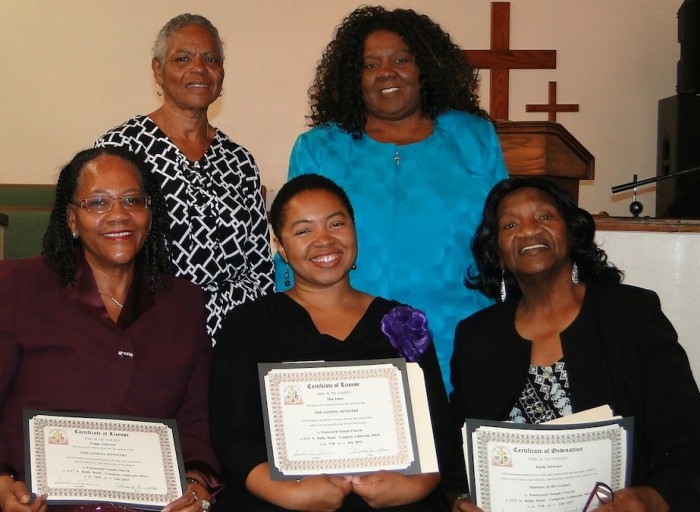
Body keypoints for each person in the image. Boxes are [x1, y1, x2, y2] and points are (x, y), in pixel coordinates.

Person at [281, 6, 508, 389]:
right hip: (346, 345)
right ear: (354, 79)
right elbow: (293, 253)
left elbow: (504, 239)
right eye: (370, 65)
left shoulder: (473, 139)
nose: (387, 72)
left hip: (460, 341)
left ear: (425, 68)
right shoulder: (320, 149)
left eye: (401, 59)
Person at [210, 174, 465, 511]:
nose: (324, 241)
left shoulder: (404, 323)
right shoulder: (247, 325)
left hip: (392, 500)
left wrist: (414, 486)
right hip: (278, 500)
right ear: (280, 247)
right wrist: (288, 494)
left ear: (354, 230)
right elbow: (231, 436)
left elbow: (438, 431)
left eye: (336, 224)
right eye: (303, 231)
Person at [449, 177, 700, 512]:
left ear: (572, 231)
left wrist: (651, 498)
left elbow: (685, 435)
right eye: (511, 224)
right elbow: (456, 452)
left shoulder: (631, 314)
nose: (529, 231)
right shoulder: (476, 336)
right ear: (497, 251)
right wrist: (458, 501)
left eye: (544, 217)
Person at [0, 147, 220, 512]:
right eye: (98, 203)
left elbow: (196, 420)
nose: (119, 215)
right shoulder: (18, 284)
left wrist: (196, 486)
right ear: (71, 219)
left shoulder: (183, 302)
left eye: (133, 200)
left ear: (150, 213)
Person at [96, 13, 274, 344]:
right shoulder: (119, 150)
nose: (199, 68)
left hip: (233, 337)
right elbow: (97, 258)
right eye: (182, 58)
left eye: (211, 59)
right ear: (158, 70)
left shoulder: (240, 161)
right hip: (146, 333)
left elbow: (260, 269)